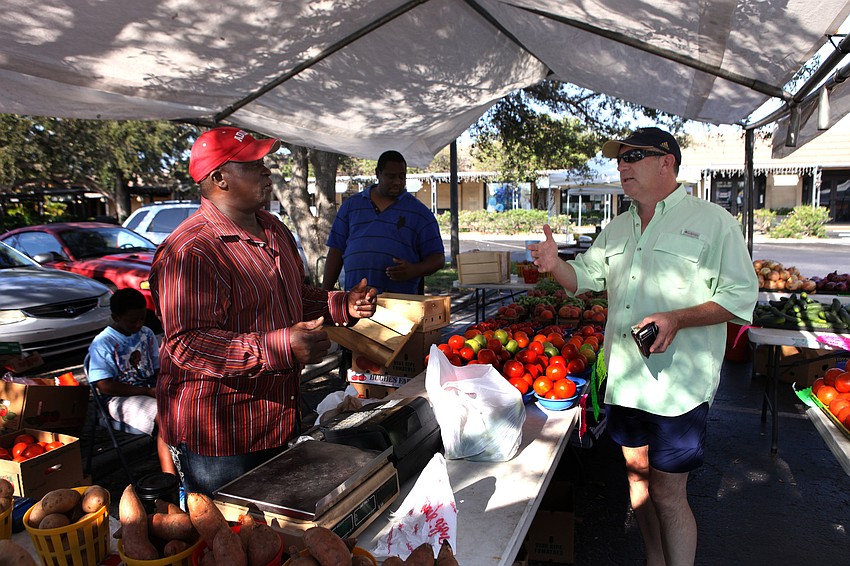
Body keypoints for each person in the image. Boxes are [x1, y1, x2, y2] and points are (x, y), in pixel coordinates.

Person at [529, 127, 758, 566]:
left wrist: (678, 317)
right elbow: (583, 280)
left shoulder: (714, 222)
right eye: (619, 159)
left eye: (633, 156)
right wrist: (555, 264)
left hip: (678, 390)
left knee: (669, 494)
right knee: (637, 482)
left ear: (667, 162)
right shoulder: (616, 228)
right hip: (627, 383)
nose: (622, 165)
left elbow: (740, 297)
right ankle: (654, 558)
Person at [149, 126, 378, 496]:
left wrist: (342, 304)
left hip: (277, 418)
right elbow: (188, 344)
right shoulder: (192, 250)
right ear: (219, 177)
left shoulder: (273, 230)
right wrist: (280, 346)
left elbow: (291, 296)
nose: (267, 171)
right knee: (229, 539)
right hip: (223, 437)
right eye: (253, 164)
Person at [322, 150, 444, 295]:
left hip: (401, 305)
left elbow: (438, 259)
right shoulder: (351, 206)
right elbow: (336, 251)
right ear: (378, 174)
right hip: (356, 302)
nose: (397, 182)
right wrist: (324, 294)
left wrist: (414, 270)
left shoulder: (420, 213)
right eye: (391, 176)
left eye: (402, 176)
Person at [86, 288, 177, 476]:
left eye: (142, 318)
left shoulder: (146, 333)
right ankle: (171, 478)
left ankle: (181, 461)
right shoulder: (103, 343)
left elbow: (158, 369)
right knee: (165, 416)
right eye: (131, 320)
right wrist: (146, 391)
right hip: (117, 398)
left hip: (148, 389)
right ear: (116, 317)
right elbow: (104, 386)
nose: (138, 324)